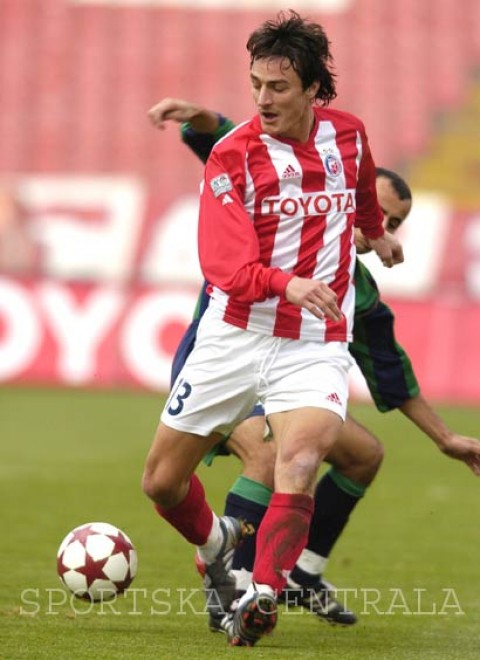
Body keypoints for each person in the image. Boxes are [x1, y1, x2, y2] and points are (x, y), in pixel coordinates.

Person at [148, 95, 480, 634]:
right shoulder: (281, 190)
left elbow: (390, 372)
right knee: (261, 454)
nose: (381, 225)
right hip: (225, 359)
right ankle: (228, 579)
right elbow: (225, 141)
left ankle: (299, 572)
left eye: (394, 221)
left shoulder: (356, 289)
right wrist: (196, 117)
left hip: (294, 367)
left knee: (363, 455)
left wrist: (445, 438)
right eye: (377, 209)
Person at [142, 10, 404, 647]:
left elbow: (361, 193)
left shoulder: (349, 136)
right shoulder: (232, 156)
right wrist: (290, 284)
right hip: (235, 333)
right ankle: (217, 546)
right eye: (256, 84)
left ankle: (260, 593)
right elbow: (226, 268)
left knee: (301, 458)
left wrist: (375, 233)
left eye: (279, 87)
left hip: (313, 340)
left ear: (314, 89)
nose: (262, 98)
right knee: (162, 483)